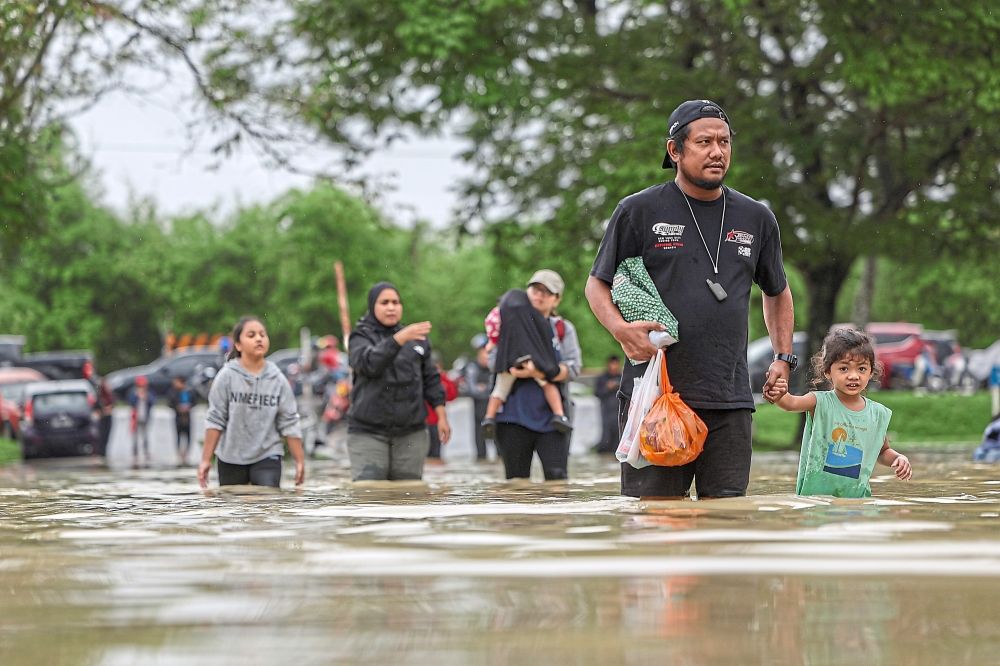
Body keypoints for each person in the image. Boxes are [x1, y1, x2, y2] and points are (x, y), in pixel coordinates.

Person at [585, 98, 795, 500]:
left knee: (728, 523)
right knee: (656, 523)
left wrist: (782, 359)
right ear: (675, 150)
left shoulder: (756, 217)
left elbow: (777, 291)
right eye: (704, 142)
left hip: (730, 399)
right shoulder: (638, 211)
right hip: (657, 396)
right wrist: (621, 329)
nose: (717, 152)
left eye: (724, 142)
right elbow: (598, 284)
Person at [766, 328, 912, 497]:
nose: (853, 376)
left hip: (857, 501)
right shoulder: (819, 402)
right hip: (816, 501)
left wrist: (897, 459)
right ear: (828, 372)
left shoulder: (876, 414)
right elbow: (790, 403)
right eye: (844, 369)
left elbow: (882, 451)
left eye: (862, 369)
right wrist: (779, 394)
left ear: (871, 372)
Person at [346, 282, 450, 481]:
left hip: (411, 431)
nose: (391, 307)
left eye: (396, 302)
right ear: (372, 306)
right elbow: (369, 364)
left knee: (409, 494)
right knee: (369, 492)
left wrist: (442, 416)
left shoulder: (417, 339)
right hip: (368, 431)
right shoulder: (360, 336)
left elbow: (432, 379)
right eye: (384, 302)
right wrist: (398, 340)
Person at [493, 270, 582, 481]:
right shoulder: (506, 322)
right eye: (535, 289)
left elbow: (574, 369)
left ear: (556, 300)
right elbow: (492, 362)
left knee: (557, 479)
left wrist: (541, 371)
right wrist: (517, 366)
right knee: (516, 482)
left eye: (546, 292)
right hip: (512, 417)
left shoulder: (563, 329)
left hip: (553, 418)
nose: (539, 295)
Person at [197, 316, 305, 488]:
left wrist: (300, 461)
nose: (258, 338)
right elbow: (215, 419)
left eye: (262, 334)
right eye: (251, 335)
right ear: (238, 345)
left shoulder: (277, 379)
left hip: (267, 454)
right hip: (230, 456)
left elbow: (290, 421)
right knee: (233, 508)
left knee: (266, 504)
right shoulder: (226, 377)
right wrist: (205, 460)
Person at [480, 291, 573, 438]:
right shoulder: (532, 315)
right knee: (546, 382)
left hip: (507, 358)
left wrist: (491, 344)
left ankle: (489, 418)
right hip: (530, 357)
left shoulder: (498, 315)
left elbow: (492, 331)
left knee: (499, 390)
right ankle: (559, 414)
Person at [461, 336, 494, 459]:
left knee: (501, 450)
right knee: (480, 452)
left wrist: (484, 388)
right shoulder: (472, 367)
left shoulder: (495, 365)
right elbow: (470, 389)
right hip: (479, 411)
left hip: (496, 412)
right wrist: (485, 389)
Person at [426, 352, 458, 462]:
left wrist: (443, 377)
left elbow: (452, 396)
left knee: (436, 452)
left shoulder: (443, 379)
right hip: (423, 422)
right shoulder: (422, 378)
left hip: (437, 422)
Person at [593, 355, 622, 453]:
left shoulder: (622, 377)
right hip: (606, 410)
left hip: (619, 410)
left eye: (615, 364)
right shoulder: (602, 378)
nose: (614, 366)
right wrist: (607, 388)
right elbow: (597, 393)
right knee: (606, 434)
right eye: (612, 364)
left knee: (618, 433)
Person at [128, 375, 155, 466]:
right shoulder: (133, 393)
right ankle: (135, 453)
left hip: (145, 417)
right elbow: (131, 403)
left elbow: (152, 402)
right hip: (136, 418)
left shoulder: (149, 393)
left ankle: (146, 452)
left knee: (145, 436)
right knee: (135, 437)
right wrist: (137, 397)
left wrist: (145, 397)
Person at [167, 376, 193, 466]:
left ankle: (186, 453)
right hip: (178, 416)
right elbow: (170, 403)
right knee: (178, 435)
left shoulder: (189, 391)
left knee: (188, 435)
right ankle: (179, 453)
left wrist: (188, 407)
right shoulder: (173, 392)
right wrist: (178, 407)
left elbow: (194, 401)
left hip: (187, 417)